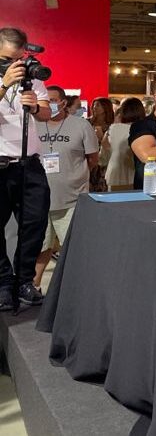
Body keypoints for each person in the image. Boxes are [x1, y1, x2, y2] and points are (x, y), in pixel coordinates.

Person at [0, 27, 51, 309]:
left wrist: (34, 107)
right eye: (8, 59)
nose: (16, 65)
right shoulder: (8, 79)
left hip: (29, 164)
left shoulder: (32, 79)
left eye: (19, 59)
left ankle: (23, 281)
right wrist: (6, 84)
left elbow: (46, 112)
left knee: (35, 224)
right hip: (0, 163)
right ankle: (3, 283)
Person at [34, 85, 97, 289]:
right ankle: (33, 286)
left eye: (52, 100)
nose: (48, 105)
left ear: (63, 102)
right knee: (39, 247)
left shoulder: (81, 125)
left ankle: (74, 289)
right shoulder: (33, 125)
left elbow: (92, 159)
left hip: (72, 199)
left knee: (73, 249)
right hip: (40, 200)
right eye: (44, 101)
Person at [105, 97, 145, 190]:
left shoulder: (113, 128)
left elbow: (104, 154)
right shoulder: (144, 129)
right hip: (137, 176)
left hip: (115, 175)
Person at [89, 97, 114, 192]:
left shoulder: (111, 125)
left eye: (98, 105)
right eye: (94, 105)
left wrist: (101, 137)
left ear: (106, 107)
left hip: (104, 159)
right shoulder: (86, 123)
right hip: (90, 158)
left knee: (103, 186)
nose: (95, 107)